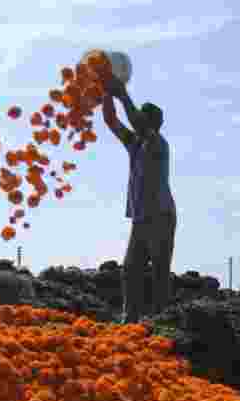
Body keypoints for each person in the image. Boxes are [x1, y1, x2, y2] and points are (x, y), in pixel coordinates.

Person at [101, 75, 177, 324]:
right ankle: (130, 318)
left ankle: (161, 319)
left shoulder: (157, 143)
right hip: (141, 217)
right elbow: (112, 122)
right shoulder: (135, 144)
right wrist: (106, 94)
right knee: (131, 269)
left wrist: (122, 94)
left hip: (161, 216)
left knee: (158, 271)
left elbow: (138, 124)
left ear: (153, 123)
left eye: (142, 118)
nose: (137, 121)